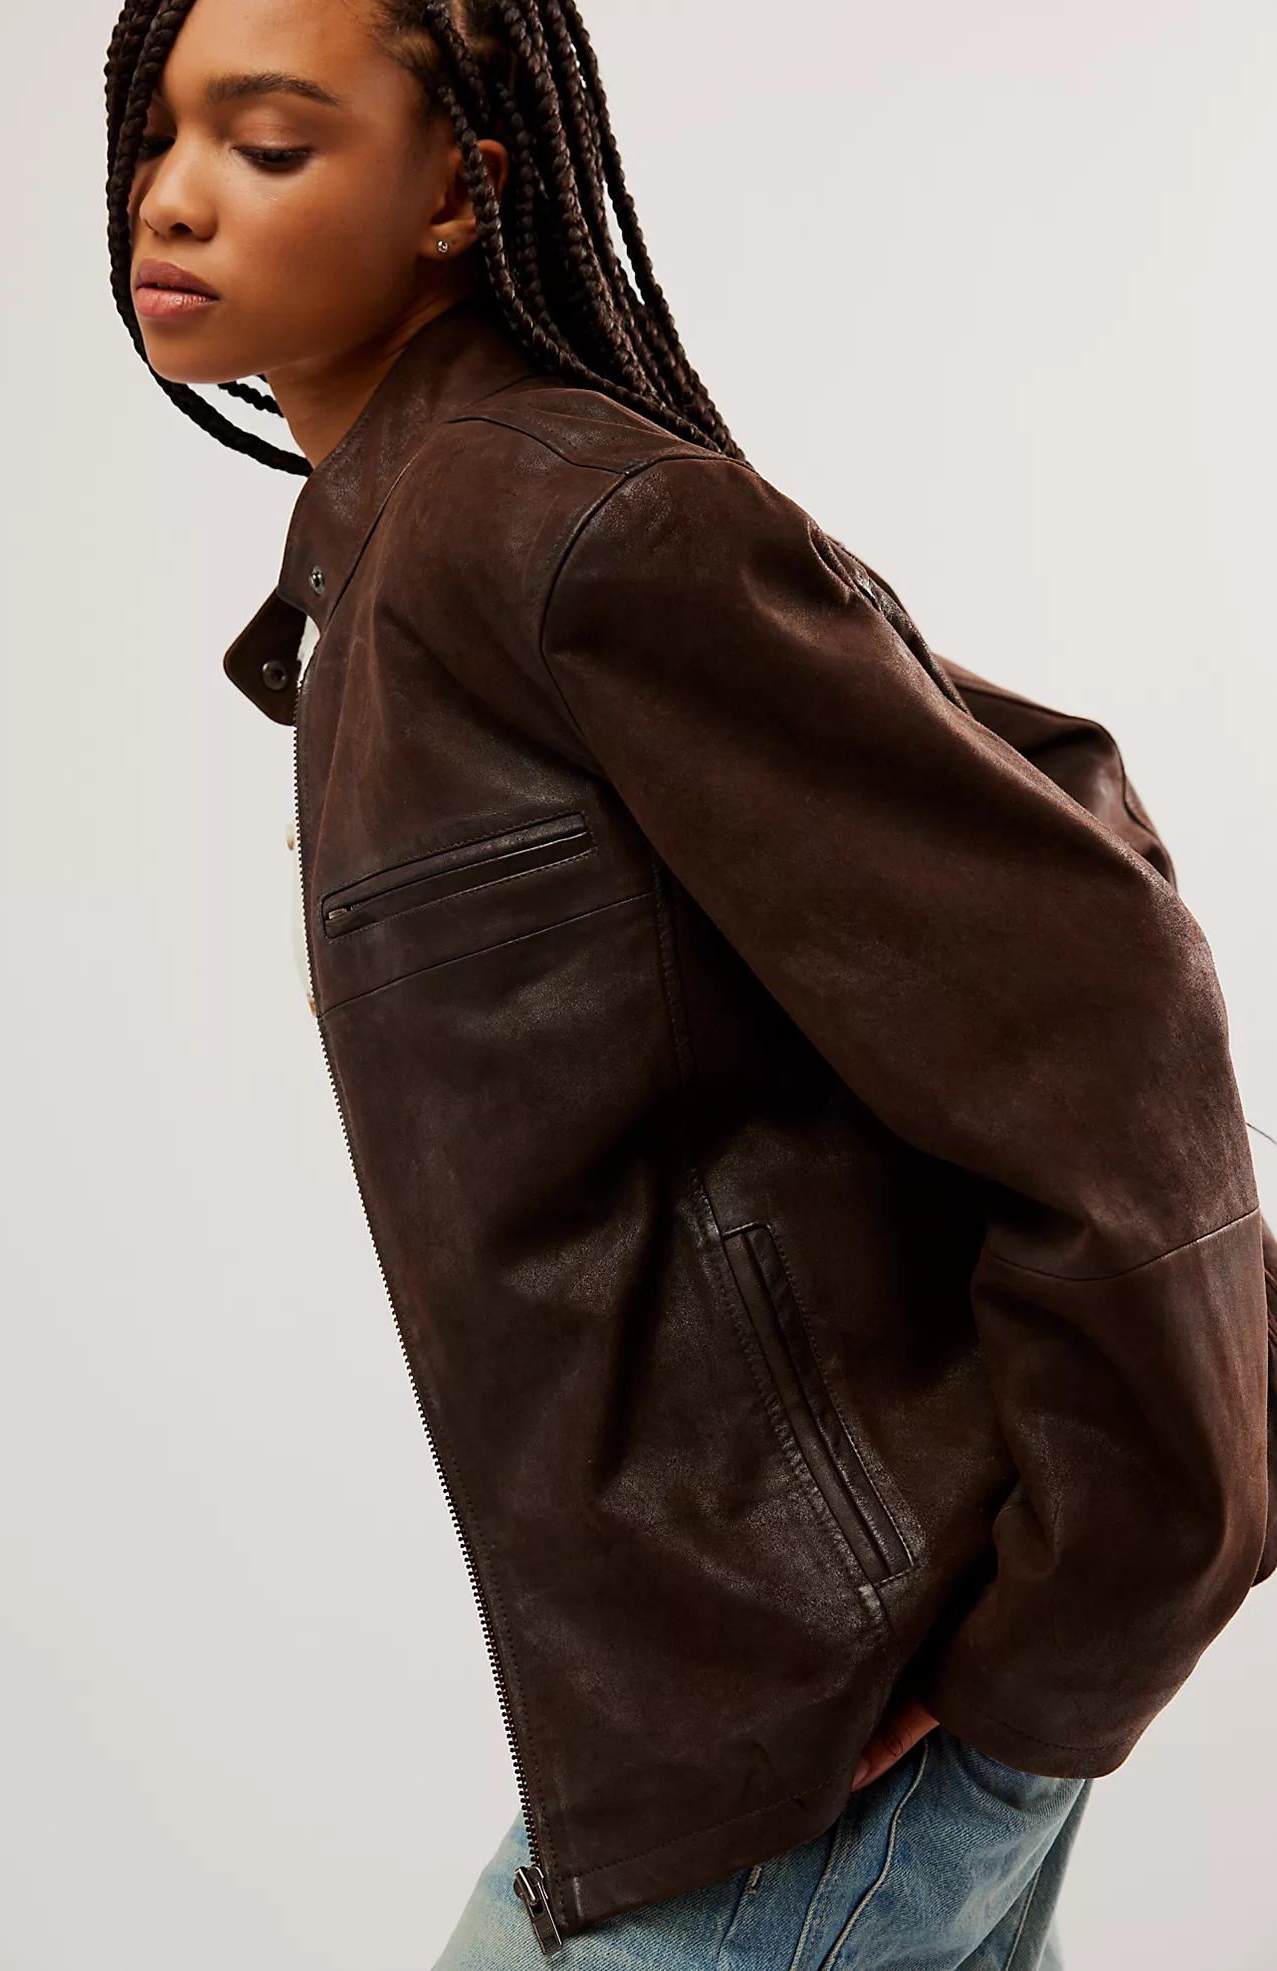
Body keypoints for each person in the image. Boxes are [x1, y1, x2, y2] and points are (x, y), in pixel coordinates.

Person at [105, 1, 1277, 1964]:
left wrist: (1068, 1628)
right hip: (742, 1711)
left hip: (824, 1724)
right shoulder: (399, 547)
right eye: (158, 135)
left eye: (272, 142)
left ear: (462, 192)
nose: (174, 196)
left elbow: (1101, 991)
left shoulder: (570, 526)